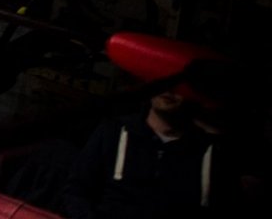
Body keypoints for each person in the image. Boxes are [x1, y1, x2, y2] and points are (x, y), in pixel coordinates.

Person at [60, 89, 239, 218]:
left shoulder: (210, 151)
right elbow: (77, 189)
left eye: (179, 86)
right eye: (165, 80)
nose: (170, 90)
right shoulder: (113, 132)